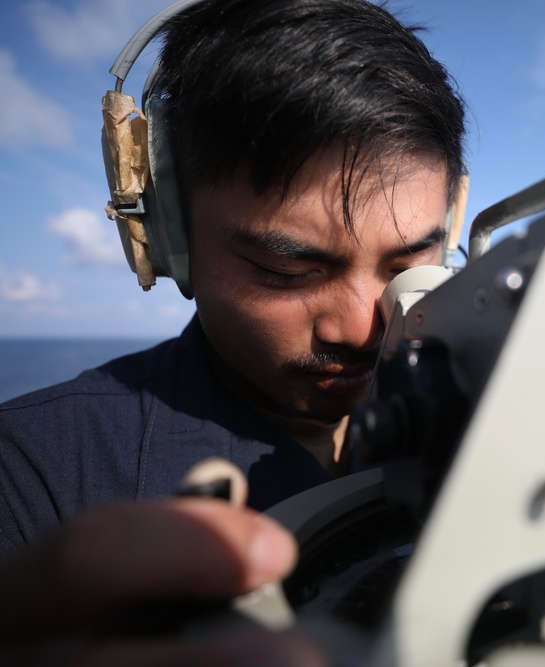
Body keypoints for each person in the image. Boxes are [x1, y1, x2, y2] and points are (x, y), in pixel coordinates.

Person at [0, 0, 465, 662]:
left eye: (407, 263)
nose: (363, 327)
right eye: (286, 269)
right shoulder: (29, 476)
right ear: (167, 237)